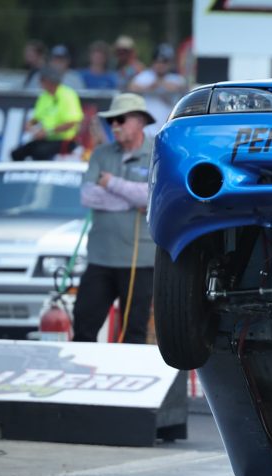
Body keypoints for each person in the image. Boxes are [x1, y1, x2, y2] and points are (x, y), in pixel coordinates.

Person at [74, 93, 157, 344]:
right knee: (83, 325)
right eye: (111, 121)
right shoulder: (101, 153)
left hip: (140, 261)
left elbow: (152, 196)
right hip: (100, 257)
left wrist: (111, 183)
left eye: (121, 119)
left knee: (134, 332)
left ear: (140, 121)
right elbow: (88, 195)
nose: (115, 126)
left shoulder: (157, 152)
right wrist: (132, 199)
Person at [10, 66, 83, 161]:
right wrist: (30, 124)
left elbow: (72, 122)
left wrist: (48, 131)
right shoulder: (44, 97)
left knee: (39, 152)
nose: (40, 83)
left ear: (49, 81)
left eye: (42, 80)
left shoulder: (68, 95)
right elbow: (37, 118)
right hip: (47, 139)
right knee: (17, 153)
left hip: (65, 140)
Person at [128, 43, 187, 133]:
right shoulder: (145, 76)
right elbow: (132, 87)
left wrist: (161, 84)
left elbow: (183, 88)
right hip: (147, 130)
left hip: (168, 129)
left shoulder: (176, 78)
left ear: (170, 63)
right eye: (157, 61)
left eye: (164, 62)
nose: (160, 65)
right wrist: (150, 87)